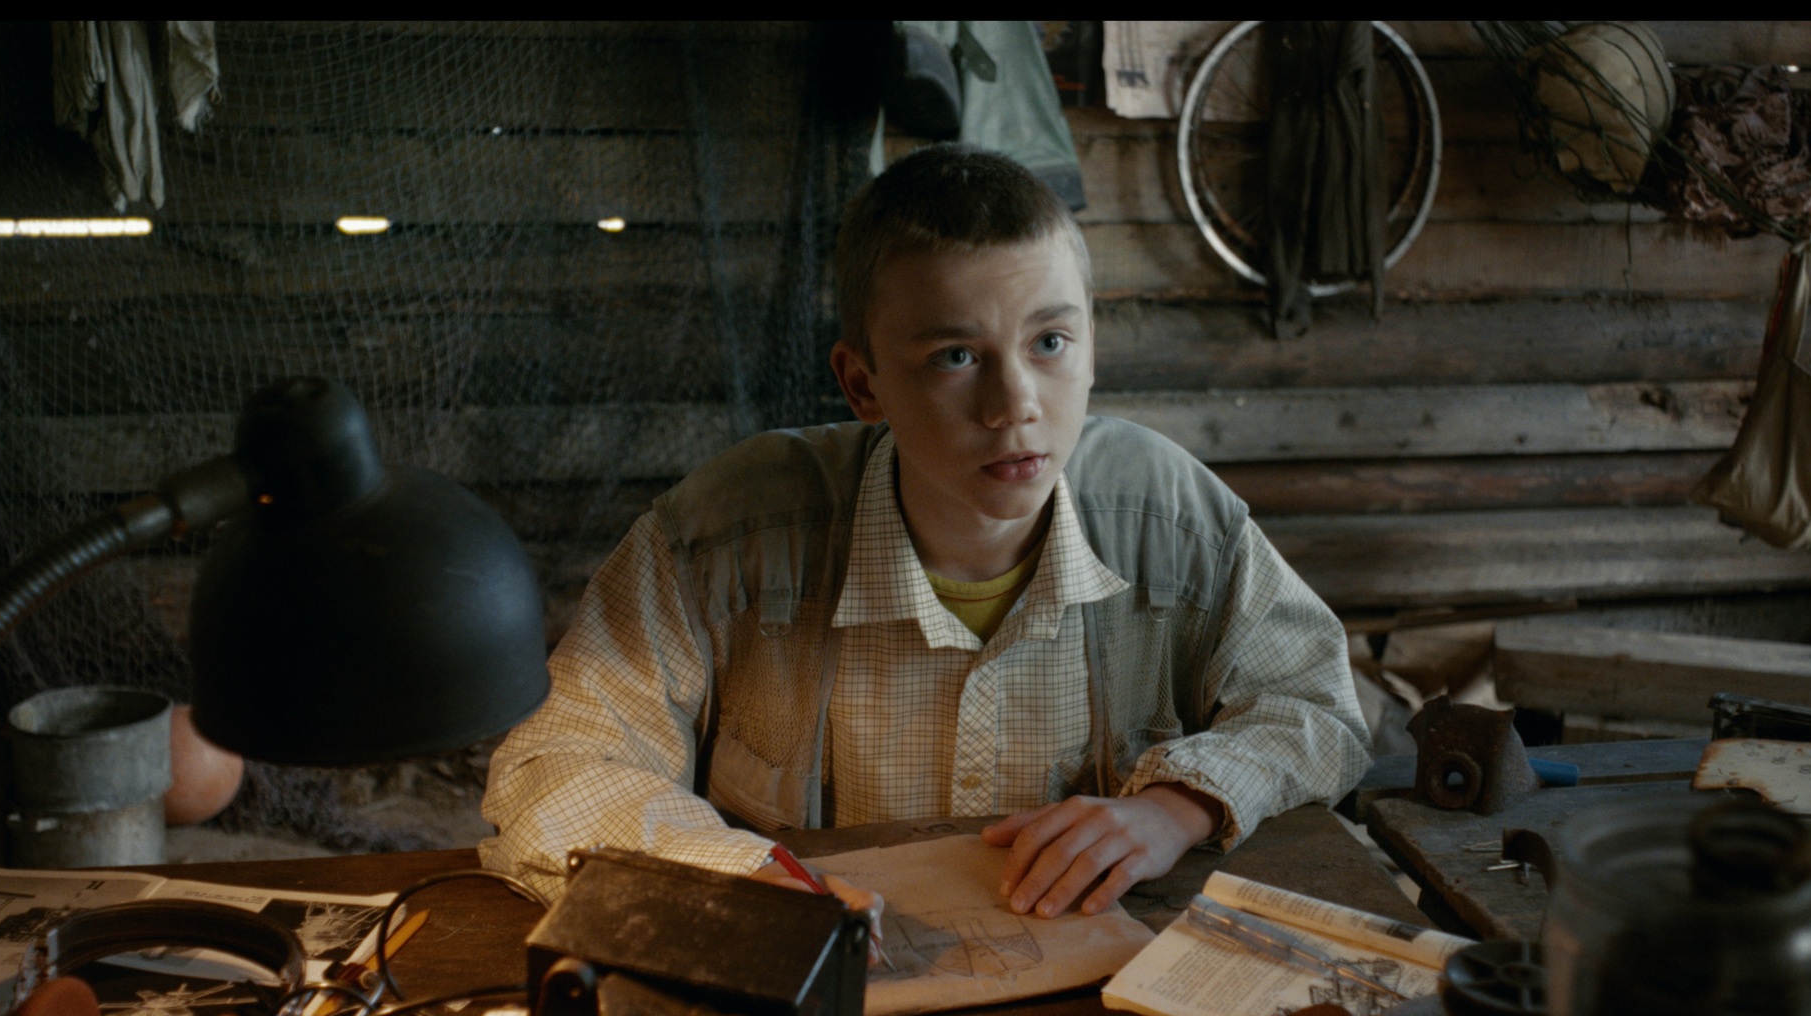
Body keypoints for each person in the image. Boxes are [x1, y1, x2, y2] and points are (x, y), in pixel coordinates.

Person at [479, 145, 1371, 928]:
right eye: (955, 356)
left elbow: (1316, 704)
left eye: (1050, 341)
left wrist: (1177, 806)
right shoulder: (725, 534)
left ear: (1094, 346)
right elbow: (557, 762)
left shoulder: (1170, 516)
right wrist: (740, 878)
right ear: (862, 384)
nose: (1014, 404)